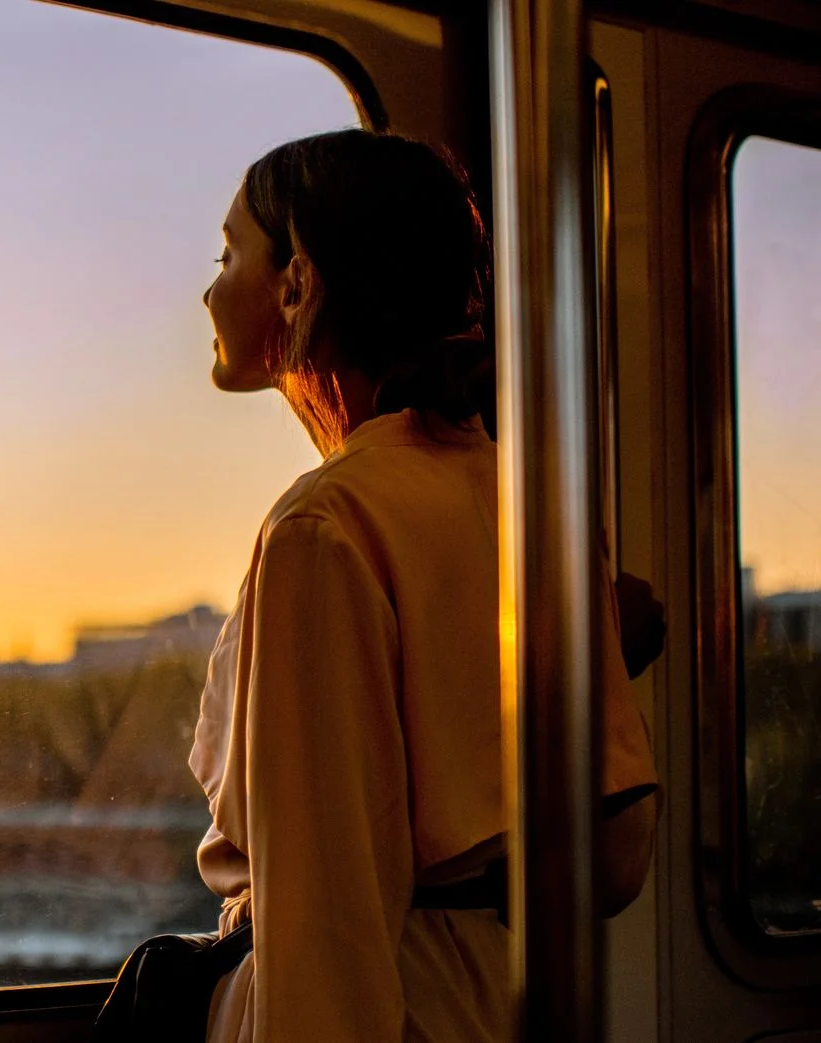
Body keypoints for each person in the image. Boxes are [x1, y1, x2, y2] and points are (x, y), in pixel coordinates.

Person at [186, 129, 659, 1042]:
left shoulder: (322, 527)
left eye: (227, 252)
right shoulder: (531, 499)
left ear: (298, 282)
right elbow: (617, 854)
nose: (209, 289)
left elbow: (326, 927)